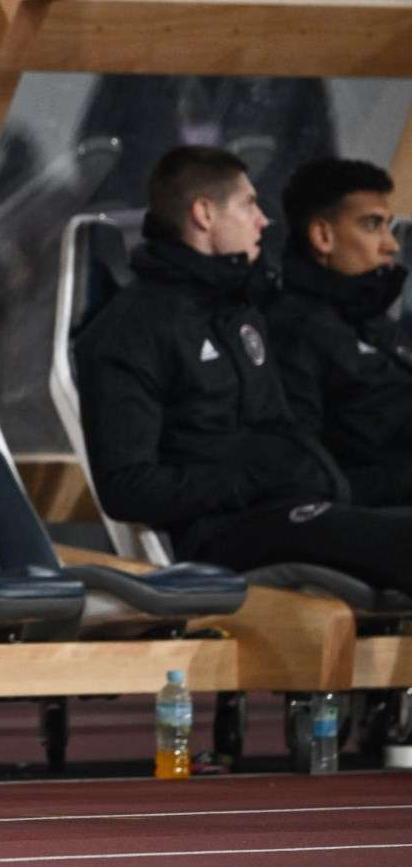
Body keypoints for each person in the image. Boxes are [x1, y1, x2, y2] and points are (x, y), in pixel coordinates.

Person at [74, 146, 412, 594]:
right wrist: (254, 477)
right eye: (249, 204)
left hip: (291, 506)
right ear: (204, 213)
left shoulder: (241, 313)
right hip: (219, 533)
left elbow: (284, 432)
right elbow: (126, 487)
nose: (264, 220)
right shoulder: (130, 330)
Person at [266, 158, 412, 505]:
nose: (390, 244)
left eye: (388, 226)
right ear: (322, 236)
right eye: (372, 225)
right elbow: (306, 475)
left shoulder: (369, 318)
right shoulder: (292, 332)